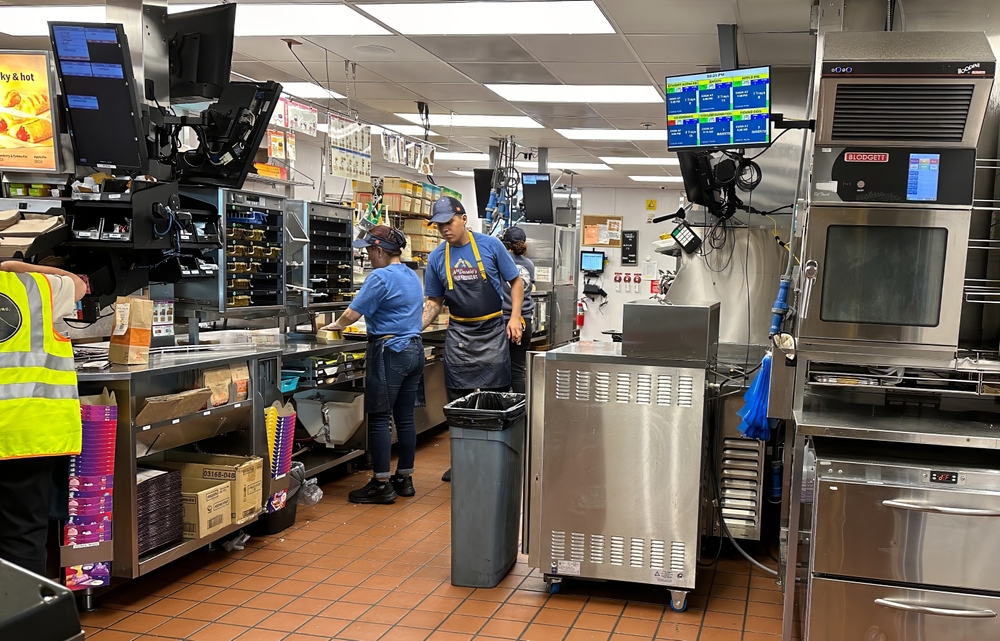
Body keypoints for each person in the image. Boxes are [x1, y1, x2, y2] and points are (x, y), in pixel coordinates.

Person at [422, 197, 524, 483]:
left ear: (463, 219)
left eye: (449, 222)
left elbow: (516, 281)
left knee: (496, 398)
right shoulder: (436, 258)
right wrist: (415, 327)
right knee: (458, 400)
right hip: (459, 334)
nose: (444, 229)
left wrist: (514, 317)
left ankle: (498, 457)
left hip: (492, 329)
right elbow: (434, 301)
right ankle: (463, 462)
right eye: (439, 225)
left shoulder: (490, 247)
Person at [323, 227, 424, 504]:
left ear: (379, 250)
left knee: (380, 418)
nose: (367, 255)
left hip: (390, 351)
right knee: (404, 419)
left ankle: (381, 483)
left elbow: (351, 313)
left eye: (368, 250)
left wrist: (333, 327)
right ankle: (404, 478)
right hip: (414, 350)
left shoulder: (380, 276)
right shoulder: (411, 275)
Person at [0, 260, 85, 576]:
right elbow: (78, 284)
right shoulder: (37, 286)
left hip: (28, 436)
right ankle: (22, 619)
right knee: (23, 537)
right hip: (28, 435)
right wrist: (13, 264)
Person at [500, 226, 535, 395]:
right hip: (525, 321)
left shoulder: (501, 260)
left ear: (505, 243)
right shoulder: (529, 264)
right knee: (518, 369)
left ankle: (501, 410)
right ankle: (521, 412)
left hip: (505, 320)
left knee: (499, 369)